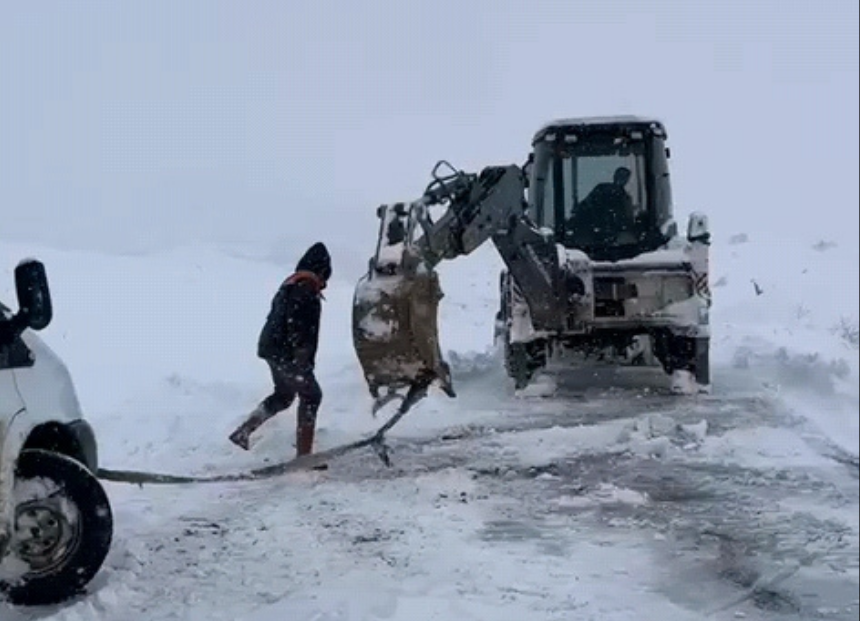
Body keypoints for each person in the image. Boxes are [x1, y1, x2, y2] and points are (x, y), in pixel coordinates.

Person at [228, 242, 332, 456]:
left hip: (271, 349)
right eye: (325, 279)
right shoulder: (305, 289)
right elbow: (299, 328)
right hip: (288, 354)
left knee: (284, 396)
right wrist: (302, 362)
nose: (324, 285)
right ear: (321, 272)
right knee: (312, 396)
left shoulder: (290, 285)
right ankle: (304, 455)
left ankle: (243, 432)